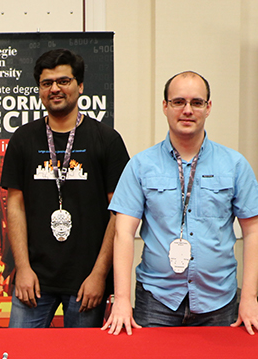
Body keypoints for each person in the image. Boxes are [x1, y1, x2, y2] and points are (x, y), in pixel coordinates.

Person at [104, 71, 258, 336]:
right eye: (178, 102)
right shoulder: (140, 166)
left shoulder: (234, 165)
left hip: (219, 302)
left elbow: (253, 232)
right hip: (156, 301)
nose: (187, 110)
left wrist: (250, 298)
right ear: (165, 106)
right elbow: (123, 233)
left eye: (196, 102)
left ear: (208, 108)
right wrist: (121, 299)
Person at [0, 49, 130, 327]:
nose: (55, 89)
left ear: (80, 86)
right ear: (39, 90)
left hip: (86, 283)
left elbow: (118, 213)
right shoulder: (23, 139)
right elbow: (15, 205)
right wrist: (22, 268)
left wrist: (99, 275)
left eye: (64, 81)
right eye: (47, 83)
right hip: (33, 280)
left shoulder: (107, 140)